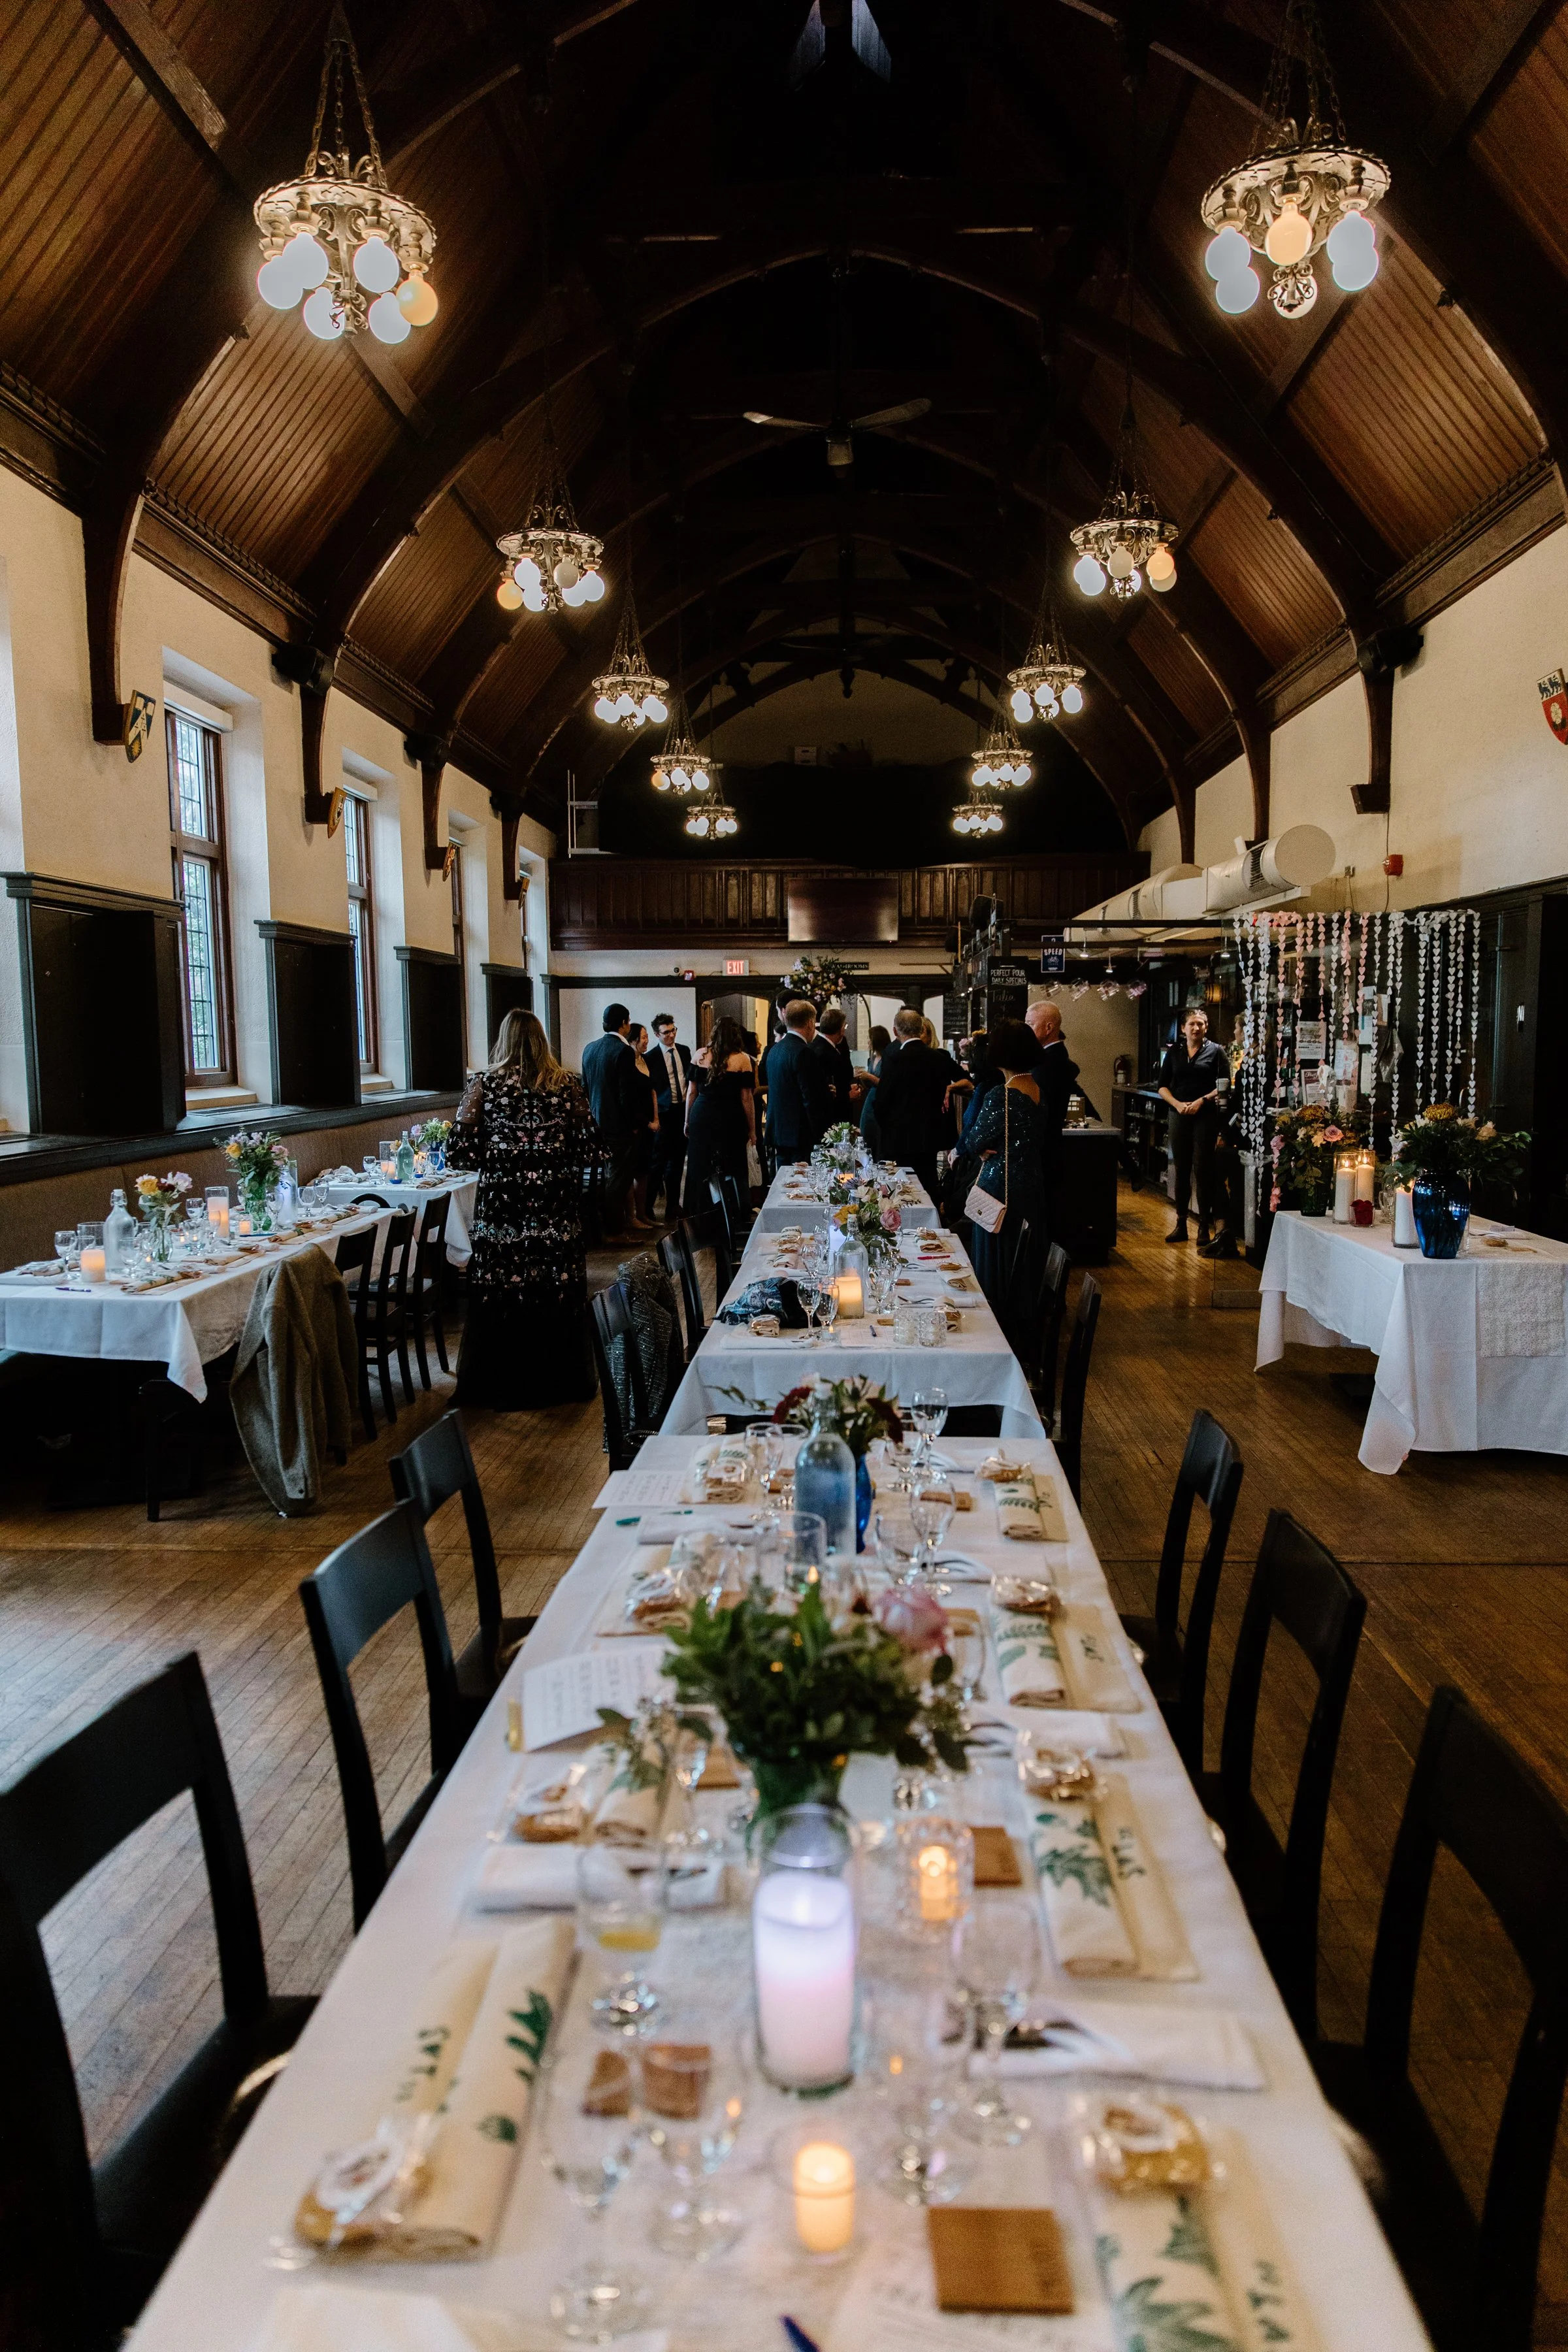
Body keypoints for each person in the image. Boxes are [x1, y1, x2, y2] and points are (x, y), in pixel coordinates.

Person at [451, 1010, 605, 1409]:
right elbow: (592, 1148)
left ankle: (501, 1383)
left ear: (503, 1040)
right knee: (553, 1286)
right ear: (542, 1041)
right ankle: (559, 1381)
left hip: (504, 1204)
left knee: (504, 1288)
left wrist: (502, 1150)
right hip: (554, 1204)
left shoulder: (483, 1085)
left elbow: (459, 1153)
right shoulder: (567, 1085)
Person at [963, 1018, 1046, 1332]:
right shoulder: (1037, 1088)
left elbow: (974, 1140)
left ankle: (996, 1328)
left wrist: (983, 1149)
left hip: (1000, 1190)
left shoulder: (1003, 1093)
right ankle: (1021, 1323)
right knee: (1022, 1262)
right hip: (1031, 1186)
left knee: (996, 1264)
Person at [870, 1006, 966, 1200]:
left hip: (899, 1138)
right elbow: (966, 1080)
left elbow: (882, 1101)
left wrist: (888, 1128)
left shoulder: (894, 1058)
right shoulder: (938, 1058)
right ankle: (931, 1226)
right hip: (928, 1136)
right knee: (928, 1185)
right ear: (922, 1028)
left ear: (896, 1032)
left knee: (899, 1191)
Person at [1158, 1005, 1231, 1246]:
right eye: (1192, 1024)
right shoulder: (1175, 1052)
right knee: (1181, 1169)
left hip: (1205, 1115)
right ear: (1183, 1029)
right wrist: (1177, 1104)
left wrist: (1202, 1100)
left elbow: (1224, 1084)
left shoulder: (1217, 1051)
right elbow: (1162, 1085)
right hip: (1179, 1113)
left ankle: (1203, 1226)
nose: (1196, 1027)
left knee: (1203, 1169)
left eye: (1201, 1024)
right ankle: (1180, 1223)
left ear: (1206, 1027)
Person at [580, 1002, 650, 1241]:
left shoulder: (590, 1049)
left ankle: (614, 1226)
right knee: (618, 1180)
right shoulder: (623, 1051)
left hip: (597, 1123)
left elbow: (585, 1089)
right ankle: (615, 1231)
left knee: (610, 1178)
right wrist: (634, 1124)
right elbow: (626, 1095)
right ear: (624, 1024)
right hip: (620, 1127)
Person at [684, 1015, 755, 1215]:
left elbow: (691, 1093)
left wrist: (687, 1121)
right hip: (730, 1117)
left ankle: (699, 1212)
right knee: (732, 1164)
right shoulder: (743, 1059)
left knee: (700, 1164)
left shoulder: (700, 1055)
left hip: (702, 1114)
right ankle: (732, 1211)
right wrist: (753, 1130)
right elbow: (746, 1099)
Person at [762, 998, 833, 1161]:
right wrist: (822, 1135)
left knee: (784, 1181)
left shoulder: (775, 1050)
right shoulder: (803, 1052)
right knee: (801, 1184)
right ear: (810, 1023)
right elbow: (810, 1099)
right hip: (799, 1134)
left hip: (778, 1131)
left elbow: (785, 1087)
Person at [1024, 999, 1080, 1190]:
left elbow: (1037, 1107)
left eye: (1030, 1024)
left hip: (1043, 1146)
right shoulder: (1048, 1057)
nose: (1027, 1030)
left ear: (1048, 1027)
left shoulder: (1049, 1062)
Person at [647, 1012, 691, 1219]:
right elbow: (652, 1089)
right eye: (666, 1032)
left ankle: (673, 1206)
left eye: (673, 1030)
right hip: (663, 1113)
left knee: (677, 1160)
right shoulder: (651, 1058)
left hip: (681, 1111)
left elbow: (688, 1081)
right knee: (658, 1162)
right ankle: (648, 1207)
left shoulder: (684, 1051)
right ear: (657, 1034)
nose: (671, 1035)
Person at [627, 1024, 661, 1226]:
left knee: (644, 1171)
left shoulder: (646, 1060)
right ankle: (631, 1218)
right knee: (632, 1172)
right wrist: (646, 1122)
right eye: (644, 1037)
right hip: (636, 1124)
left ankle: (643, 1214)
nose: (647, 1040)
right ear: (633, 1041)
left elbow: (653, 1092)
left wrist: (656, 1119)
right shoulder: (628, 1062)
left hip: (650, 1123)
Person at [813, 1004, 855, 1122]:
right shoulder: (826, 1053)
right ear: (841, 1029)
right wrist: (847, 1096)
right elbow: (826, 1088)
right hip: (833, 1114)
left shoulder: (816, 1045)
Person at [858, 1022, 891, 1156]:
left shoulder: (887, 1059)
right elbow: (870, 1084)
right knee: (867, 1131)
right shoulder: (872, 1058)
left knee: (879, 1134)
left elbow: (886, 1083)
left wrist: (869, 1076)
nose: (868, 1041)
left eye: (870, 1038)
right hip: (870, 1098)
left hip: (881, 1099)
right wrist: (862, 1079)